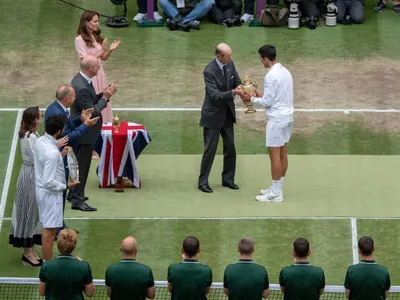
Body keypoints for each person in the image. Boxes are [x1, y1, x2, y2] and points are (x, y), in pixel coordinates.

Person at [241, 45, 293, 203]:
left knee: (274, 156)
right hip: (287, 117)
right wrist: (257, 94)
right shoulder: (285, 71)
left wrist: (250, 99)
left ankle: (276, 194)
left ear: (265, 58)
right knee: (283, 152)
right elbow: (274, 97)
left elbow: (268, 102)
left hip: (276, 120)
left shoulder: (270, 76)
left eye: (261, 59)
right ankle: (277, 188)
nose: (261, 61)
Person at [45, 84, 99, 234]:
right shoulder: (56, 112)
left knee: (61, 193)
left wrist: (80, 119)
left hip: (60, 156)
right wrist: (85, 125)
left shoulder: (56, 108)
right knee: (59, 193)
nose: (75, 99)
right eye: (74, 96)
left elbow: (67, 125)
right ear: (68, 98)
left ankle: (59, 225)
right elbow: (67, 136)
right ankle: (56, 229)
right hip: (58, 158)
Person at [69, 55, 117, 212]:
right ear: (90, 68)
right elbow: (92, 112)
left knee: (78, 166)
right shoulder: (82, 86)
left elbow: (90, 101)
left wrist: (102, 95)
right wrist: (106, 97)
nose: (99, 68)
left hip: (82, 132)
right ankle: (77, 199)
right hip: (85, 134)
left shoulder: (81, 80)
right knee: (82, 167)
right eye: (97, 66)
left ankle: (73, 193)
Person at [198, 43, 243, 193]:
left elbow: (237, 80)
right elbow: (215, 95)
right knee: (210, 150)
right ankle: (203, 182)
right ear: (219, 57)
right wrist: (234, 92)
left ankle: (228, 179)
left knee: (230, 148)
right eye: (228, 55)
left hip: (227, 115)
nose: (230, 58)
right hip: (212, 116)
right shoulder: (209, 71)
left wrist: (244, 88)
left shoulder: (230, 64)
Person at [33, 115, 79, 261]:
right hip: (50, 196)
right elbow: (48, 181)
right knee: (49, 234)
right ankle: (48, 266)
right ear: (59, 131)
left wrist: (61, 153)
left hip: (43, 192)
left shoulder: (41, 141)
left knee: (49, 231)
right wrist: (66, 186)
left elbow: (47, 161)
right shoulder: (52, 153)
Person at [9, 107, 43, 267]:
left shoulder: (33, 134)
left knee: (33, 211)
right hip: (30, 176)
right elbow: (39, 157)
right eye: (39, 115)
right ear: (34, 119)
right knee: (29, 211)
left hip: (31, 173)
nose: (41, 116)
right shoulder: (30, 137)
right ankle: (27, 253)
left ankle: (31, 250)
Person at [75, 10, 120, 124]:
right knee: (94, 101)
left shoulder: (95, 35)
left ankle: (104, 123)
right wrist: (102, 49)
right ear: (86, 22)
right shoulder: (79, 40)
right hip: (90, 75)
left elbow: (103, 58)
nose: (97, 24)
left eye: (98, 21)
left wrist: (110, 50)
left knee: (103, 96)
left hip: (99, 73)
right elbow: (85, 61)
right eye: (95, 21)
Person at [38, 228, 95, 299]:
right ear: (74, 246)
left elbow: (41, 292)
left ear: (58, 244)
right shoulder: (84, 266)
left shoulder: (46, 266)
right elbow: (90, 293)